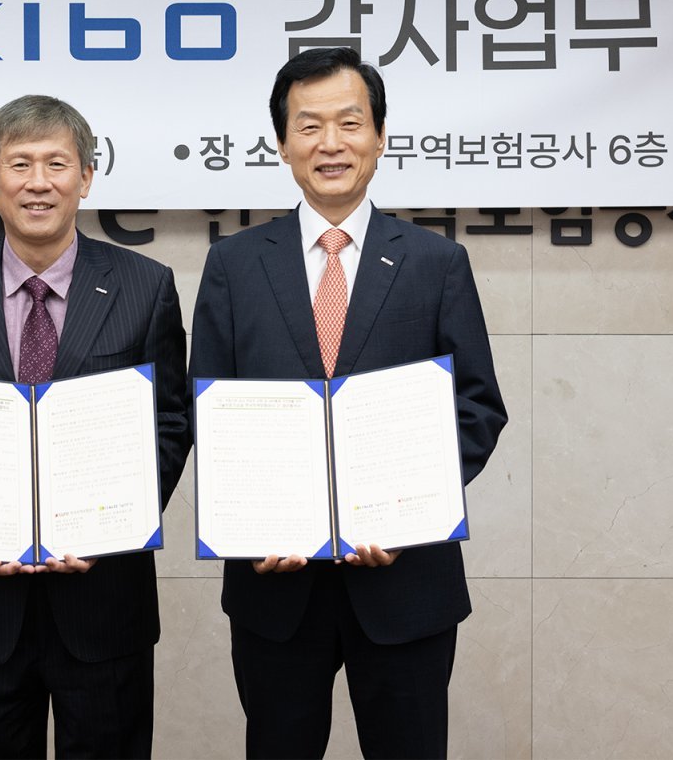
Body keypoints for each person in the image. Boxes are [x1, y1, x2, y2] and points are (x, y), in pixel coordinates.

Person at [189, 46, 508, 759]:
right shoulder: (234, 264)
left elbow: (477, 407)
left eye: (350, 123)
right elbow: (212, 410)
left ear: (380, 137)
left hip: (406, 581)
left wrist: (408, 507)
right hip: (276, 586)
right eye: (308, 126)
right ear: (282, 144)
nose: (330, 143)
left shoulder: (435, 262)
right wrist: (254, 524)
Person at [0, 94, 190, 759]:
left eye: (57, 163)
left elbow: (169, 422)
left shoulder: (146, 286)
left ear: (86, 176)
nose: (38, 182)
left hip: (104, 600)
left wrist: (116, 523)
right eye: (20, 164)